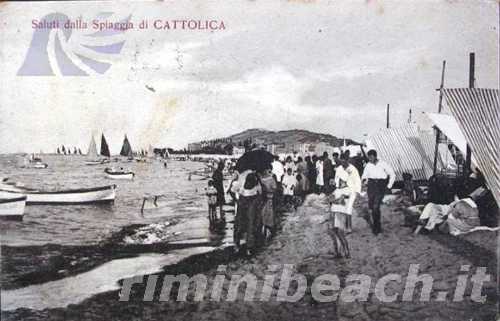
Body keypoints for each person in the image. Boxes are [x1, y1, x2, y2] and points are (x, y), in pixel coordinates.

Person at [361, 149, 395, 235]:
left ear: (375, 156)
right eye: (369, 158)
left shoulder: (383, 164)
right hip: (371, 186)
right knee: (372, 207)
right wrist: (364, 181)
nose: (370, 159)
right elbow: (364, 176)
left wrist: (389, 186)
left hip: (380, 186)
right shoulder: (368, 165)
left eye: (371, 157)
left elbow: (392, 174)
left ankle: (377, 227)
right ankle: (376, 223)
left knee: (376, 206)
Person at [233, 172, 262, 255]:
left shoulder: (245, 180)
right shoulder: (244, 180)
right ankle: (244, 246)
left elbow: (232, 191)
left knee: (244, 225)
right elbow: (260, 195)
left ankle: (241, 245)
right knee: (247, 225)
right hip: (247, 203)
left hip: (246, 202)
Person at [332, 153, 362, 233]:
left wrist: (358, 192)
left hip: (351, 190)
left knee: (348, 208)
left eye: (344, 160)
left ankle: (349, 227)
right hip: (342, 190)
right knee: (339, 207)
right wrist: (335, 183)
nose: (343, 162)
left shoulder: (353, 169)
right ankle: (339, 226)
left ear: (348, 160)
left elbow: (357, 181)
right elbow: (336, 179)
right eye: (341, 161)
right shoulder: (339, 169)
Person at [258, 168, 277, 240]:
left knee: (265, 215)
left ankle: (266, 230)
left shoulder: (262, 178)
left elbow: (274, 189)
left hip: (265, 200)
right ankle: (266, 230)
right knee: (266, 216)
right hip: (265, 200)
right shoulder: (269, 178)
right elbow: (274, 188)